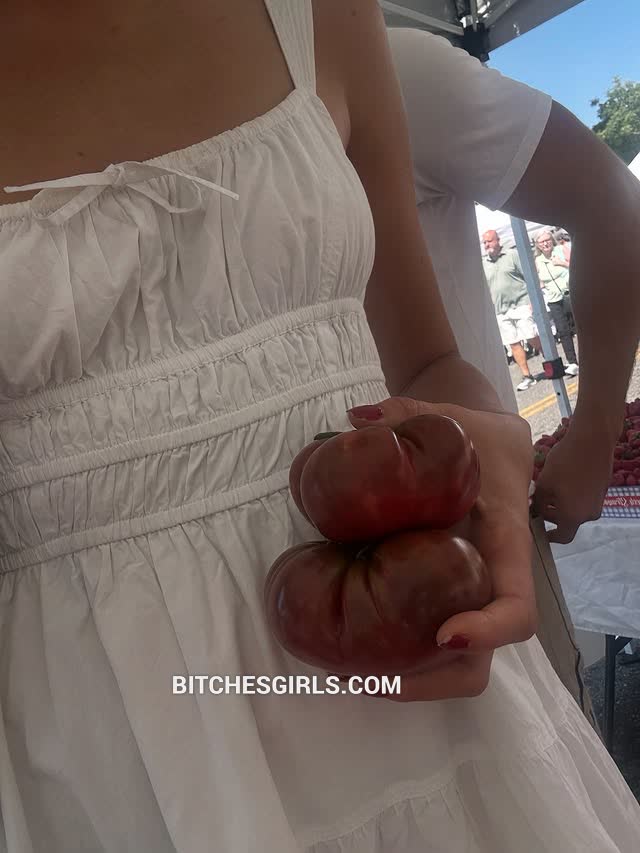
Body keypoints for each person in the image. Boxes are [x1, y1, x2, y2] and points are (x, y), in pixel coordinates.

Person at [1, 3, 640, 852]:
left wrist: (484, 434)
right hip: (109, 745)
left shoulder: (320, 12)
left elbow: (425, 363)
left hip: (422, 670)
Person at [481, 229, 542, 391]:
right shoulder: (484, 264)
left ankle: (550, 359)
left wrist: (533, 299)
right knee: (513, 343)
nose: (486, 245)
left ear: (498, 240)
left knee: (531, 336)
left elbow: (528, 275)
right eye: (484, 242)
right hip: (500, 311)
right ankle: (527, 376)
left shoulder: (512, 255)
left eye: (489, 241)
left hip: (521, 303)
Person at [535, 228, 579, 374]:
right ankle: (572, 362)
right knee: (563, 331)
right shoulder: (538, 261)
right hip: (554, 300)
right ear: (538, 245)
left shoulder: (562, 250)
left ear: (552, 240)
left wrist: (562, 263)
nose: (545, 244)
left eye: (547, 240)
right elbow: (540, 280)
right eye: (541, 242)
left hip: (570, 293)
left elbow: (577, 267)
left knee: (581, 326)